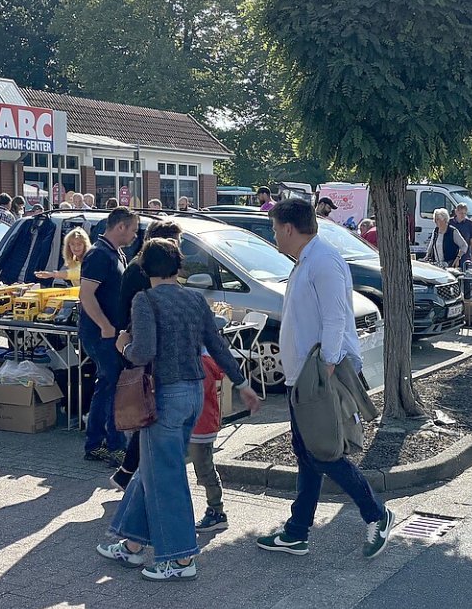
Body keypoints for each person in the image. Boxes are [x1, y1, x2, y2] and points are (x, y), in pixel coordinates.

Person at [101, 239, 259, 581]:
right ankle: (132, 544)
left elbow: (142, 352)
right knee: (154, 470)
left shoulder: (144, 300)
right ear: (178, 267)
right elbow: (217, 345)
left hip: (163, 396)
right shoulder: (194, 299)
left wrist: (123, 345)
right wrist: (242, 383)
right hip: (194, 393)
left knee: (166, 476)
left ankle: (181, 558)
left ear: (144, 269)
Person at [256, 198, 397, 558]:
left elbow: (336, 317)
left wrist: (328, 366)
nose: (274, 236)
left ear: (289, 228)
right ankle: (297, 531)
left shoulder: (323, 261)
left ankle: (377, 514)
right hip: (303, 375)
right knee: (307, 453)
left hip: (316, 376)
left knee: (323, 451)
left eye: (275, 229)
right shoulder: (308, 259)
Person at [109, 220, 183, 491]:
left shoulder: (141, 269)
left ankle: (127, 473)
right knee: (148, 414)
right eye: (176, 243)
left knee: (150, 415)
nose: (179, 249)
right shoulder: (142, 273)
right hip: (141, 350)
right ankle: (130, 473)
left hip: (142, 347)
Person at [80, 207, 139, 466]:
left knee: (107, 386)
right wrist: (105, 326)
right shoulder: (98, 255)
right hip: (101, 335)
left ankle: (96, 444)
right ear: (121, 227)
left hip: (112, 334)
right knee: (113, 386)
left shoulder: (116, 253)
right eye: (134, 229)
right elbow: (86, 295)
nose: (136, 235)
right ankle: (114, 446)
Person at [188, 353, 232, 533]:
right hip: (200, 425)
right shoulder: (199, 361)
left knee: (204, 470)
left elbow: (197, 391)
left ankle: (216, 510)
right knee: (203, 468)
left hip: (201, 426)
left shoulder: (198, 363)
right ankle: (215, 509)